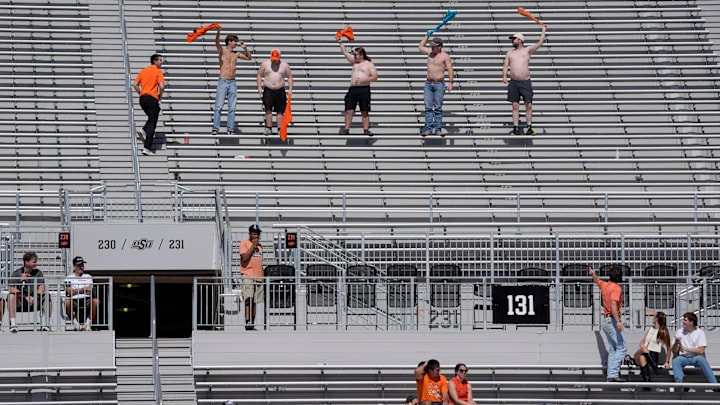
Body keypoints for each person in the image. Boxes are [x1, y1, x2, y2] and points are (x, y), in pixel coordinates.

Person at [501, 25, 547, 136]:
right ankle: (516, 127)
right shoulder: (510, 53)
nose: (512, 41)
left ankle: (529, 127)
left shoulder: (527, 50)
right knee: (515, 105)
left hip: (525, 81)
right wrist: (504, 75)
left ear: (520, 40)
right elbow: (506, 65)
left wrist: (543, 30)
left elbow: (540, 43)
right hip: (514, 82)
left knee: (528, 105)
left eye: (514, 39)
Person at [589, 265, 626, 382]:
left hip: (605, 319)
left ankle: (611, 373)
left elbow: (597, 280)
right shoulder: (616, 288)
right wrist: (618, 321)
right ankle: (613, 373)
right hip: (612, 319)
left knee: (613, 348)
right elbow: (613, 305)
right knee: (622, 347)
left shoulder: (605, 285)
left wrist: (593, 273)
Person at [212, 29, 252, 135]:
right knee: (219, 106)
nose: (236, 43)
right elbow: (216, 42)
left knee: (232, 108)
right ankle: (215, 128)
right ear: (229, 42)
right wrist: (218, 32)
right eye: (235, 41)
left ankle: (230, 129)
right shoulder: (222, 51)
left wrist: (245, 48)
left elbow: (249, 58)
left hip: (232, 82)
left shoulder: (236, 53)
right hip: (223, 81)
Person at [337, 39, 378, 136]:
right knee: (348, 110)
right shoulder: (355, 63)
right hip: (353, 89)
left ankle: (366, 129)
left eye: (356, 54)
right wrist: (340, 42)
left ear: (361, 55)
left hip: (364, 89)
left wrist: (363, 80)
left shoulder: (369, 64)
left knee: (364, 110)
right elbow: (345, 53)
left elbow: (375, 76)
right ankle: (346, 129)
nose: (354, 56)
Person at [418, 35, 454, 137]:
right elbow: (420, 46)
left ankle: (438, 129)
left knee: (438, 107)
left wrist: (451, 82)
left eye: (434, 46)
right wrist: (426, 35)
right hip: (429, 83)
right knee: (428, 107)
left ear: (439, 46)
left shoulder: (445, 56)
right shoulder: (430, 53)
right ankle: (428, 129)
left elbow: (450, 69)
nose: (432, 47)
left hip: (439, 83)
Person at [7, 251, 51, 333]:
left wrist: (35, 297)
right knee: (11, 296)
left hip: (35, 300)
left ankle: (46, 323)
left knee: (47, 296)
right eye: (34, 262)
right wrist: (26, 296)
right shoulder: (17, 273)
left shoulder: (38, 273)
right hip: (21, 301)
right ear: (26, 262)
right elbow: (11, 289)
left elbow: (42, 287)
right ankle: (13, 324)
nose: (36, 264)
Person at [671, 312, 718, 386]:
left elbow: (701, 350)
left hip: (695, 357)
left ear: (691, 322)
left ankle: (714, 385)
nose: (683, 322)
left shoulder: (700, 333)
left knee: (702, 359)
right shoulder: (679, 332)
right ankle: (681, 384)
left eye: (685, 320)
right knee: (675, 361)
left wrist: (686, 349)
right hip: (683, 357)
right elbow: (674, 351)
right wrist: (676, 343)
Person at [133, 53, 165, 155]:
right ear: (155, 61)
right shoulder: (158, 72)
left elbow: (135, 84)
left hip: (143, 99)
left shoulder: (143, 71)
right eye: (160, 60)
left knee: (152, 118)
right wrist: (160, 96)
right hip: (152, 98)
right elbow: (162, 86)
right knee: (153, 123)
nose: (162, 62)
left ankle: (144, 130)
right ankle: (147, 147)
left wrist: (141, 93)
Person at [256, 48, 293, 135]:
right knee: (268, 109)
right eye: (273, 59)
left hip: (280, 90)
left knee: (280, 110)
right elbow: (259, 75)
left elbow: (290, 77)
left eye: (276, 59)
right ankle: (269, 128)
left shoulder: (285, 65)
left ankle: (280, 128)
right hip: (268, 89)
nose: (274, 61)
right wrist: (259, 87)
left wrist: (290, 89)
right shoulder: (265, 64)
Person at [633, 311, 671, 383]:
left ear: (656, 319)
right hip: (642, 352)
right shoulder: (650, 329)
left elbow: (669, 348)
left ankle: (647, 382)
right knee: (643, 349)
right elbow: (642, 342)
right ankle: (655, 368)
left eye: (653, 317)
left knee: (642, 359)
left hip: (652, 356)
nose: (652, 318)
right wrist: (643, 347)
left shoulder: (663, 332)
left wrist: (667, 362)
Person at [64, 256, 99, 331]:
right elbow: (69, 291)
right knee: (67, 303)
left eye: (82, 265)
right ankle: (76, 323)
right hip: (74, 300)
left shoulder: (88, 276)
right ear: (74, 266)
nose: (81, 267)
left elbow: (89, 290)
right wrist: (83, 289)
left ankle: (88, 323)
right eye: (79, 265)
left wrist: (75, 290)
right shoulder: (68, 277)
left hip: (87, 299)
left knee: (96, 301)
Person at [239, 224, 263, 330]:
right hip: (248, 273)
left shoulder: (260, 247)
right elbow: (244, 258)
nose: (256, 236)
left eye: (257, 234)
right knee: (248, 298)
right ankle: (247, 321)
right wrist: (253, 245)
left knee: (255, 301)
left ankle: (252, 322)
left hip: (258, 276)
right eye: (254, 234)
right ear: (249, 234)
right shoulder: (244, 243)